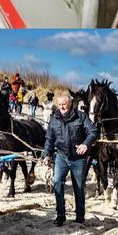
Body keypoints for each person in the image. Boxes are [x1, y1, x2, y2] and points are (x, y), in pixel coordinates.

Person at [42, 92, 99, 226]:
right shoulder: (54, 119)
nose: (62, 107)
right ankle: (60, 215)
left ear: (71, 104)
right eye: (60, 104)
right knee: (57, 182)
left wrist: (86, 143)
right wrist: (47, 155)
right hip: (61, 157)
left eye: (65, 105)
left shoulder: (81, 117)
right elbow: (49, 140)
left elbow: (94, 132)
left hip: (78, 159)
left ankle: (80, 216)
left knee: (78, 187)